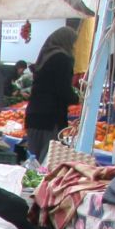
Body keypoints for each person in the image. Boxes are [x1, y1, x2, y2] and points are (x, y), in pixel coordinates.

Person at [23, 26, 79, 165]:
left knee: (33, 160)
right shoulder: (62, 58)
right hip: (50, 117)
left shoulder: (45, 56)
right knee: (47, 161)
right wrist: (78, 99)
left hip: (34, 115)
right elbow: (62, 89)